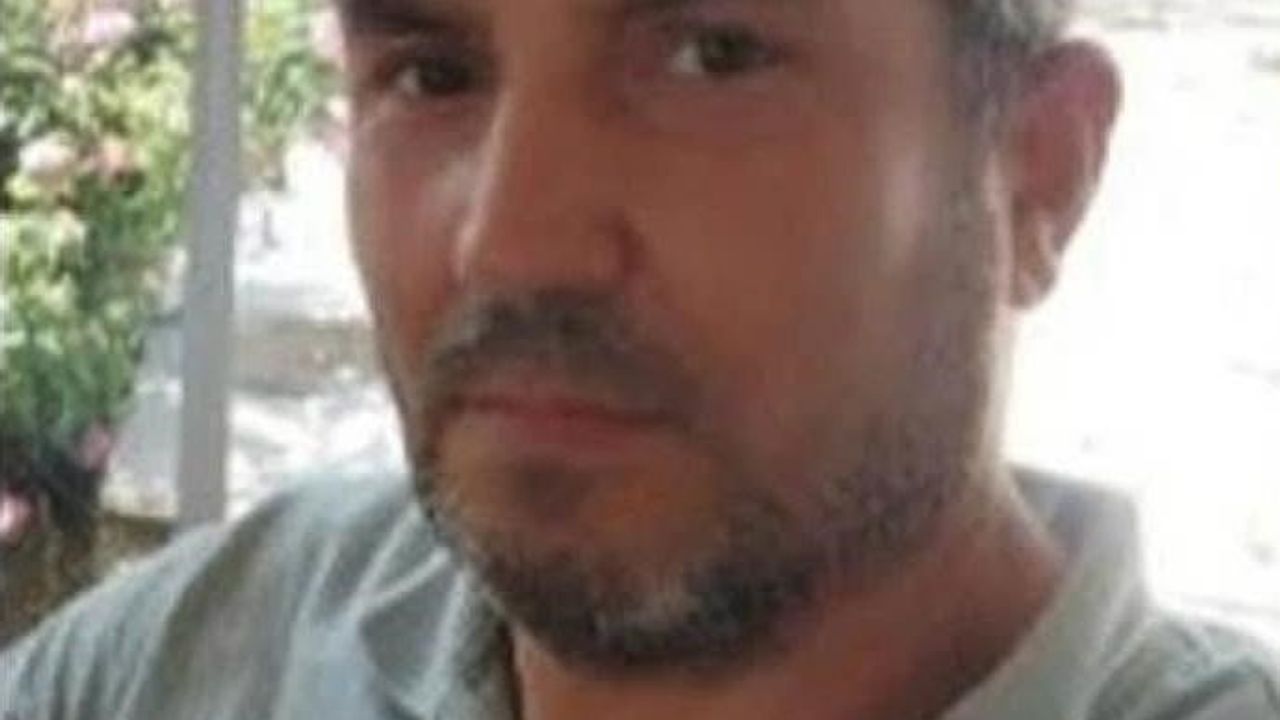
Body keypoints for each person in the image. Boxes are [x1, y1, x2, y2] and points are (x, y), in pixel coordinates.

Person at [3, 0, 1277, 717]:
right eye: (431, 74)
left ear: (1034, 176)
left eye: (713, 57)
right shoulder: (201, 655)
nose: (509, 242)